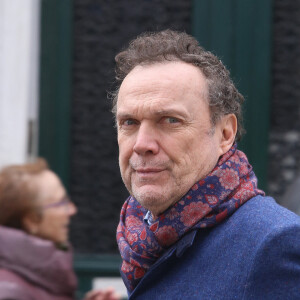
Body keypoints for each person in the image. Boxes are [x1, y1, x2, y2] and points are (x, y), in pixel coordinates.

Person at [113, 30, 300, 299]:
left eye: (170, 120)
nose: (142, 144)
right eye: (129, 123)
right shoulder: (139, 239)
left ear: (225, 134)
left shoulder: (275, 244)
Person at [0, 159, 119, 300]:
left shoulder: (31, 277)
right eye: (61, 203)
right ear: (31, 220)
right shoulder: (11, 293)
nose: (72, 210)